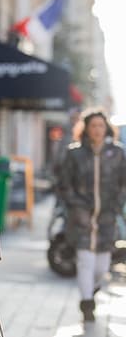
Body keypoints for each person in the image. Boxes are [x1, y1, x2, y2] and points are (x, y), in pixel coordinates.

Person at [57, 108, 126, 322]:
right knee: (85, 261)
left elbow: (123, 183)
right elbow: (63, 184)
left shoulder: (117, 152)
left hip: (106, 216)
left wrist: (116, 205)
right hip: (81, 216)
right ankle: (87, 304)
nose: (97, 129)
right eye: (93, 125)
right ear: (86, 128)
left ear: (106, 128)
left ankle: (92, 289)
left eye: (101, 125)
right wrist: (76, 205)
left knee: (102, 267)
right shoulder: (74, 153)